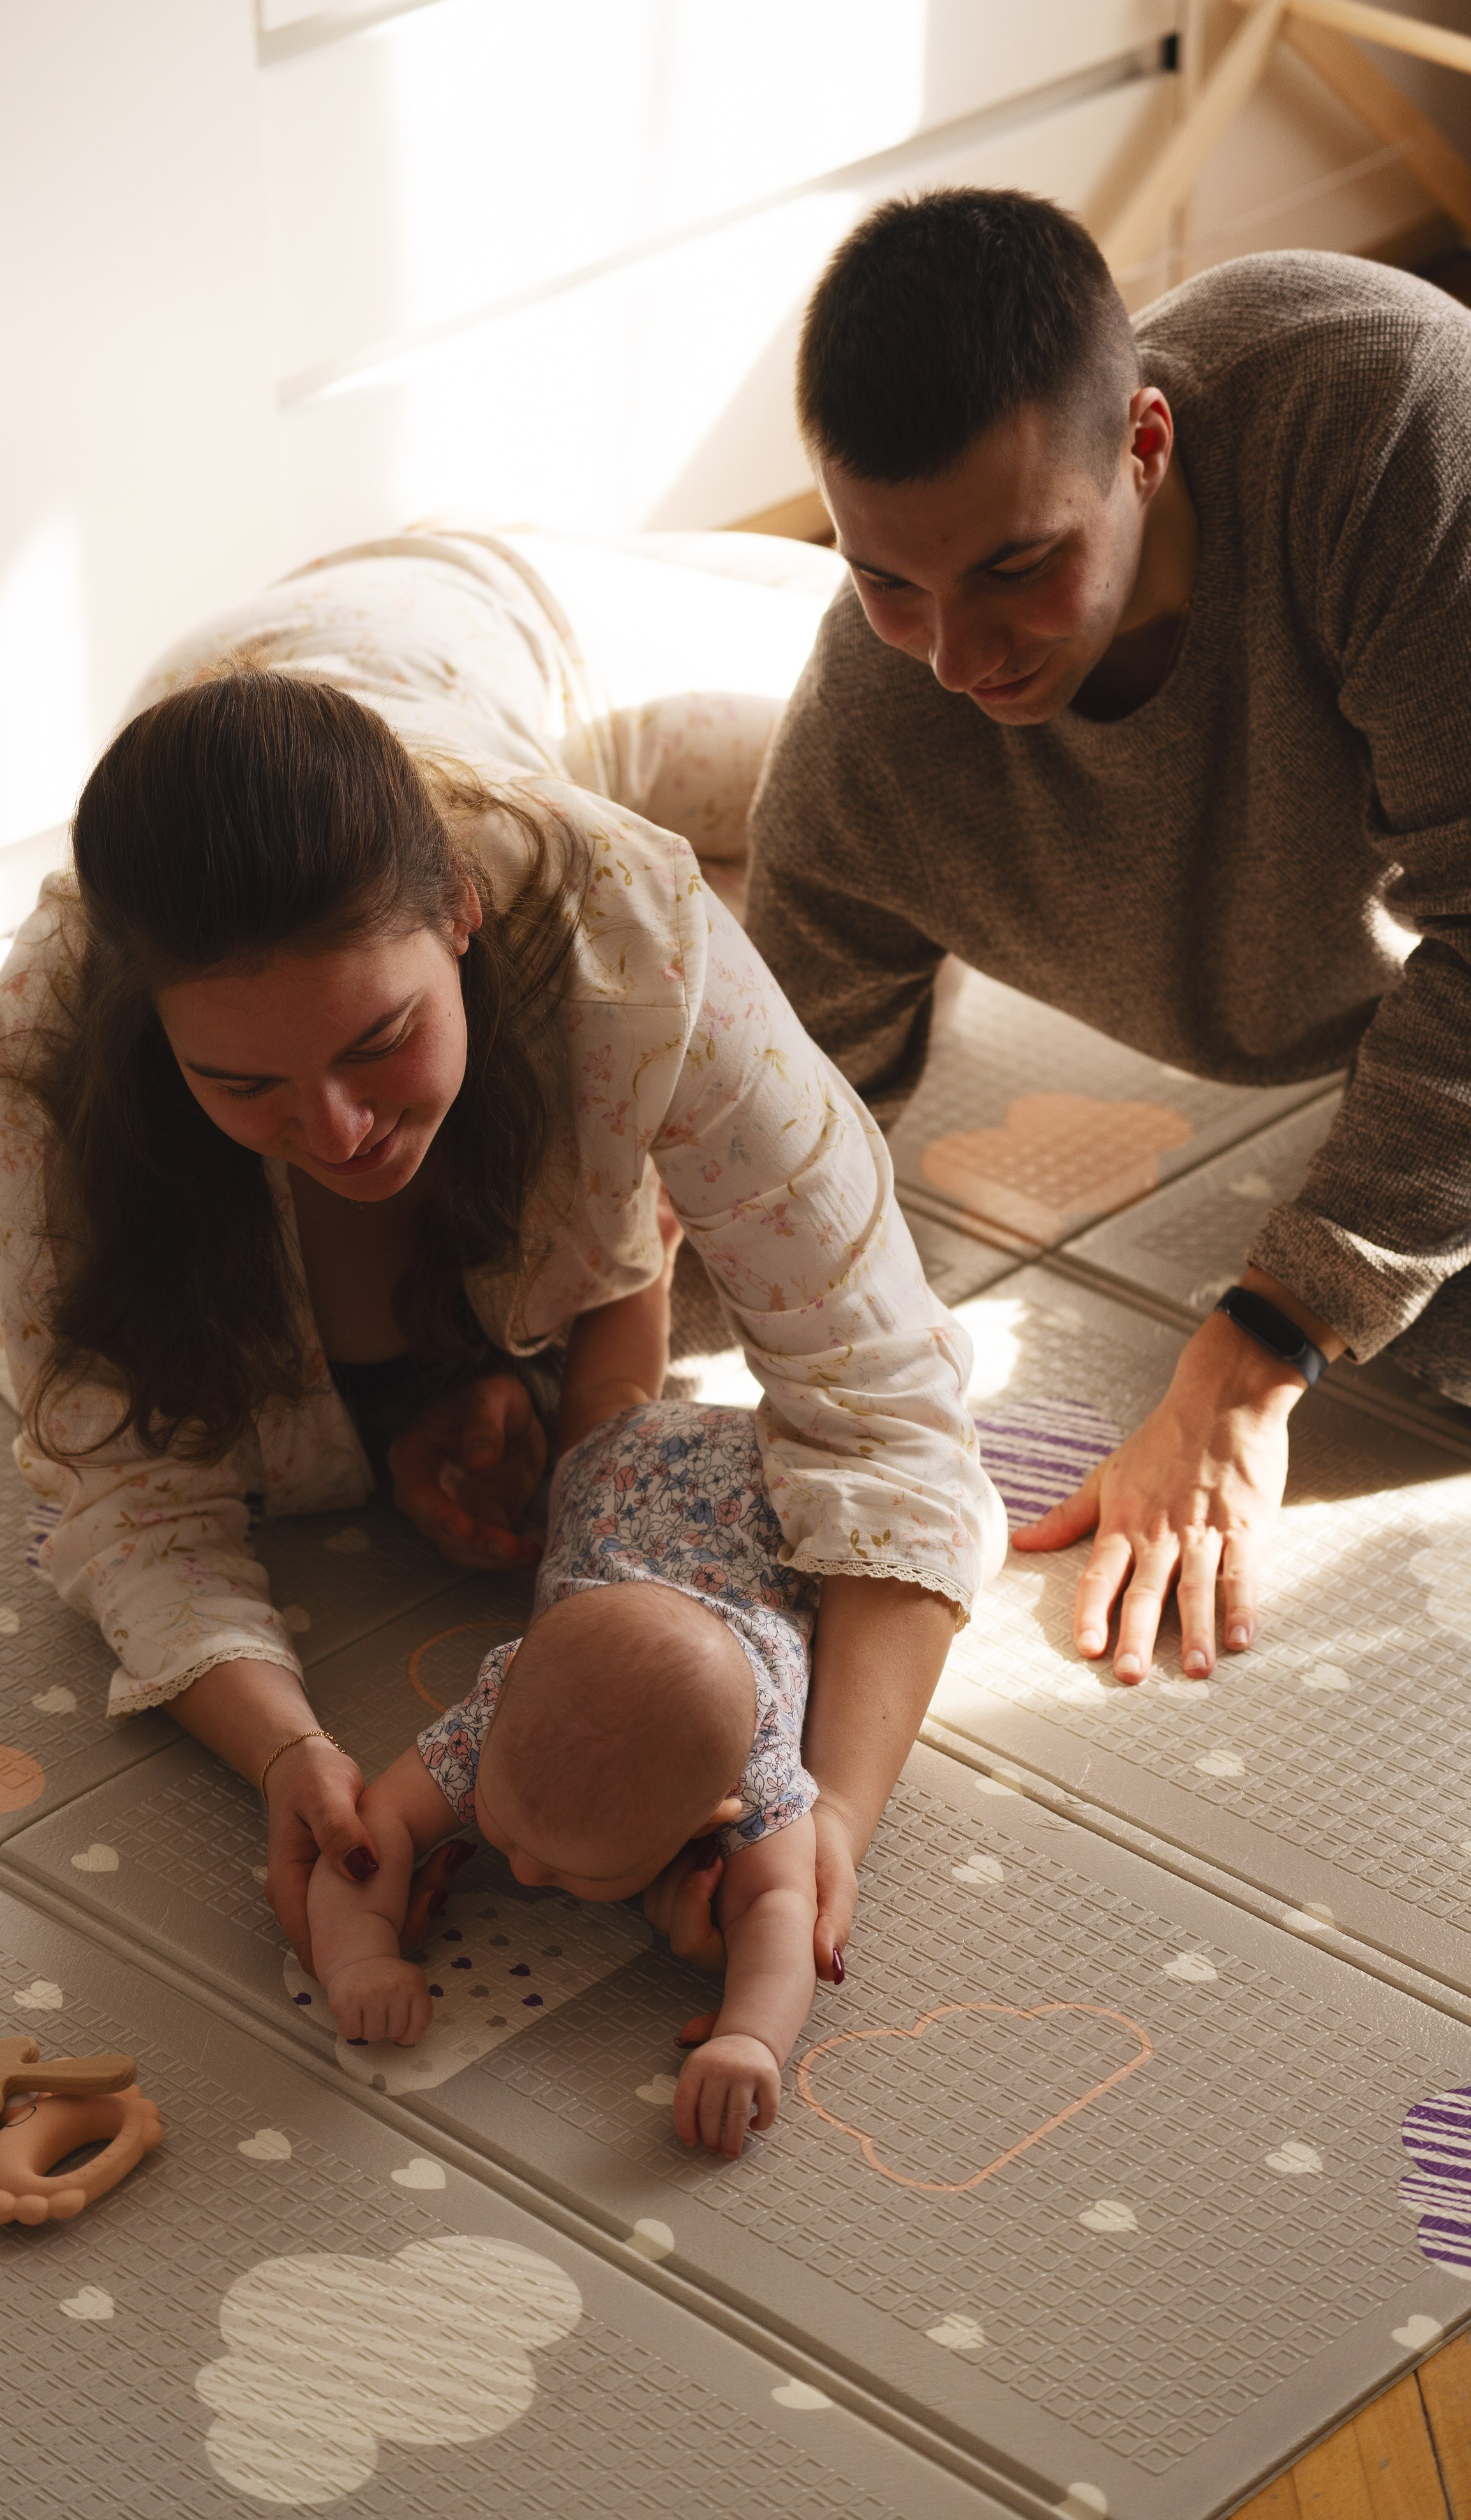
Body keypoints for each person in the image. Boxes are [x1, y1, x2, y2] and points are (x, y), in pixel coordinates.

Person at [0, 530, 1004, 1987]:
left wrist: (826, 1820)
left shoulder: (632, 929)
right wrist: (288, 1750)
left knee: (911, 769)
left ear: (460, 913)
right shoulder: (40, 1060)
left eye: (379, 1040)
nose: (335, 1126)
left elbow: (888, 1407)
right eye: (246, 1087)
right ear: (158, 1037)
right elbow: (123, 1494)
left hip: (492, 625)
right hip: (276, 685)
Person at [746, 186, 1471, 1689]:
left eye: (1015, 569)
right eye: (886, 578)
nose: (955, 659)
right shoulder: (875, 726)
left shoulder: (1388, 426)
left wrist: (1250, 1360)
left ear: (1145, 445)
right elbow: (779, 1112)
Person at [309, 1234, 821, 2160]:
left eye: (586, 1874)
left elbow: (782, 1905)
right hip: (627, 1472)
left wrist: (753, 2034)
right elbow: (373, 1825)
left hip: (789, 1497)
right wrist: (358, 1955)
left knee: (926, 1535)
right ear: (495, 1698)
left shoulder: (758, 1767)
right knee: (606, 1413)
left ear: (712, 1815)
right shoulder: (510, 1707)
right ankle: (642, 1247)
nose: (529, 1875)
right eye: (501, 1827)